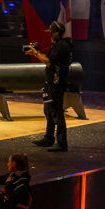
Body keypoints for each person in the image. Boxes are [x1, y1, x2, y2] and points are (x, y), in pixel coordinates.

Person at [25, 21, 73, 151]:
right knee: (49, 110)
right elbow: (49, 60)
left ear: (57, 32)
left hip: (56, 84)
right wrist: (37, 53)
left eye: (52, 33)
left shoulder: (62, 46)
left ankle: (62, 143)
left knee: (56, 112)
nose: (50, 35)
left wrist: (36, 53)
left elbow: (48, 62)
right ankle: (48, 138)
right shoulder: (60, 45)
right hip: (52, 82)